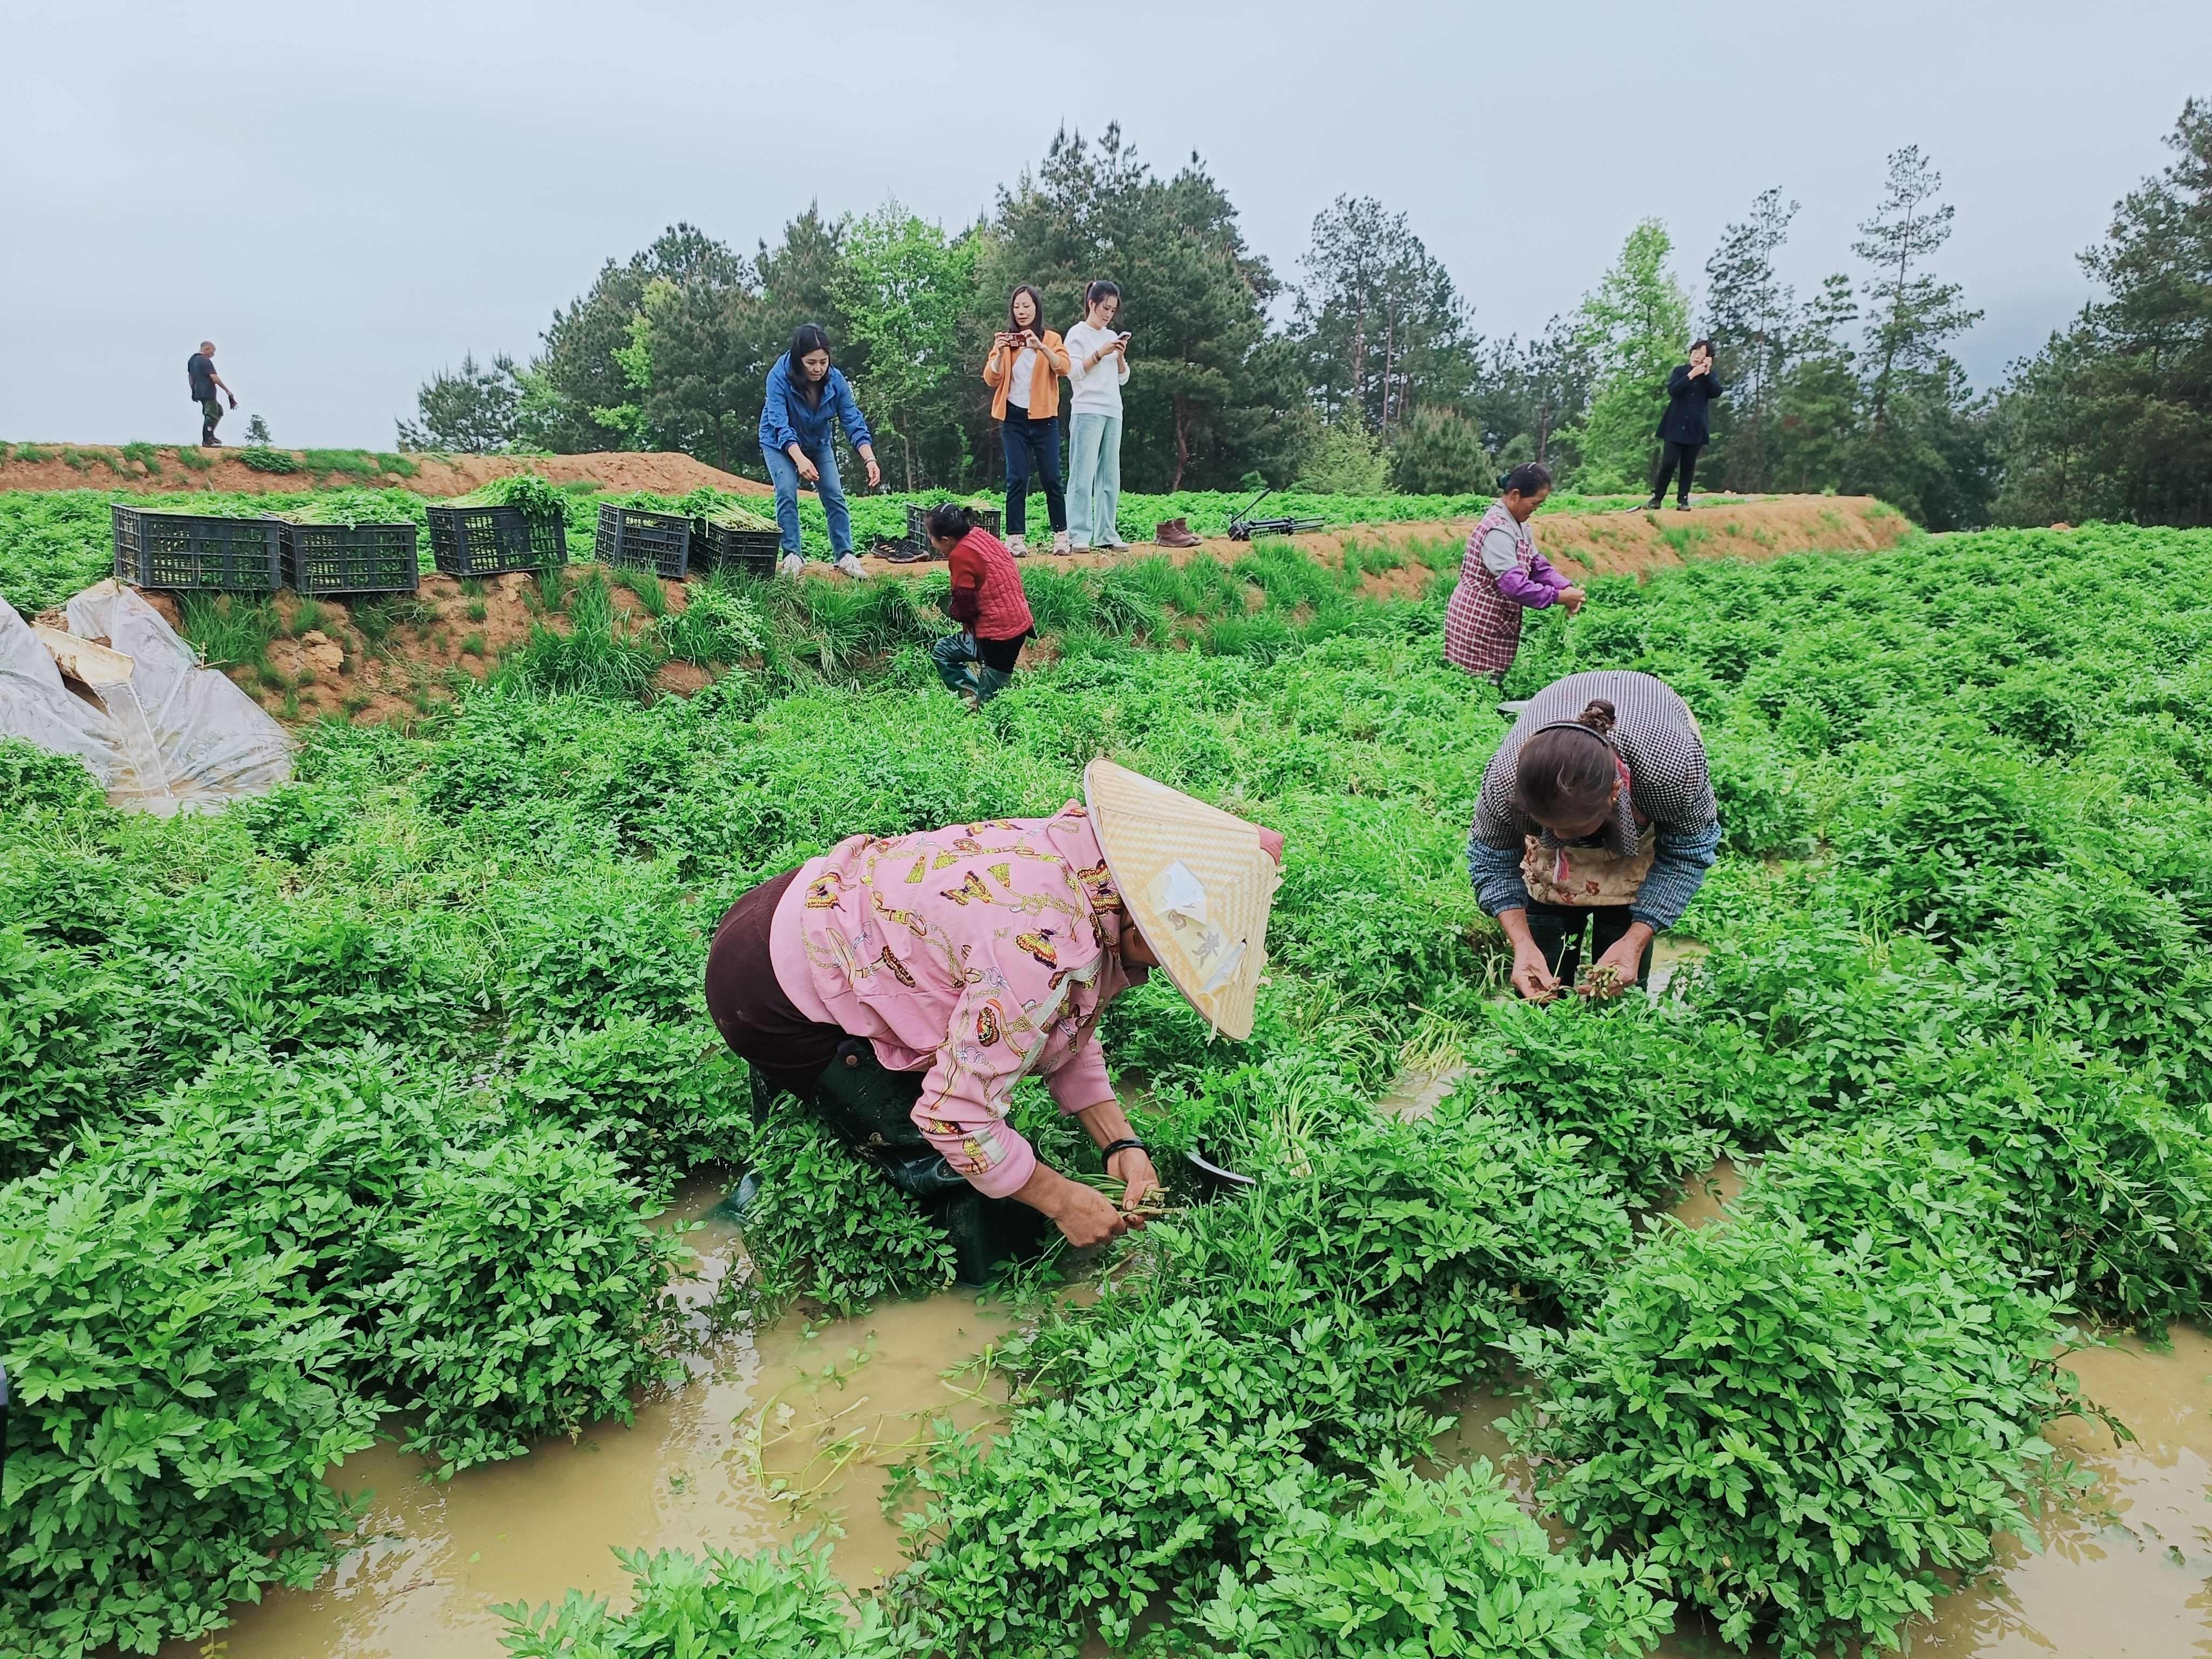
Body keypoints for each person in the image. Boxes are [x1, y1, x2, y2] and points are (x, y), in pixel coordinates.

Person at [703, 760, 1285, 1283]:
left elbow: (1062, 1024)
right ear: (1140, 923)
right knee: (954, 1169)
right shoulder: (1048, 949)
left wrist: (1120, 1142)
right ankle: (762, 1211)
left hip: (791, 907)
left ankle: (776, 1159)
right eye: (1171, 951)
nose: (1167, 967)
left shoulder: (1088, 866)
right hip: (766, 991)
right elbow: (956, 1118)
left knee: (832, 1110)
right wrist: (1062, 1202)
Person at [1468, 671, 1721, 1002]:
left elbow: (1686, 853)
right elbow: (1491, 857)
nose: (1559, 837)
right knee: (1546, 930)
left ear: (1615, 794)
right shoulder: (1507, 780)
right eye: (1549, 827)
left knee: (1620, 972)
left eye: (1571, 829)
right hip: (1561, 701)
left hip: (1649, 716)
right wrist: (1523, 945)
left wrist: (1634, 942)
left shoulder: (1670, 774)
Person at [1443, 463, 1586, 688]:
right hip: (1479, 622)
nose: (1536, 509)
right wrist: (1558, 597)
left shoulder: (1519, 525)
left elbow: (1538, 566)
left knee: (1491, 682)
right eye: (1534, 503)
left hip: (1496, 620)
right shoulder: (1498, 531)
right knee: (1476, 687)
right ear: (1515, 496)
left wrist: (1566, 588)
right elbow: (1515, 586)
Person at [759, 324, 883, 579]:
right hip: (778, 441)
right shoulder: (778, 377)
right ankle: (792, 555)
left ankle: (845, 556)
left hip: (817, 441)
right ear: (798, 359)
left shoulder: (836, 381)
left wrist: (869, 457)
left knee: (835, 493)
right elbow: (779, 423)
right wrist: (799, 458)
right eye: (811, 362)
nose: (818, 368)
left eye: (823, 362)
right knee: (786, 490)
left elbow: (852, 419)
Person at [983, 286, 1071, 556]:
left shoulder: (1052, 338)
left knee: (1052, 478)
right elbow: (991, 378)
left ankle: (1061, 535)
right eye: (1017, 307)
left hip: (1045, 419)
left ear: (1037, 308)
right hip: (1013, 419)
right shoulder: (1006, 341)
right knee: (1017, 478)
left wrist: (1041, 346)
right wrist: (999, 353)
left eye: (1026, 306)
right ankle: (1015, 538)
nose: (1021, 311)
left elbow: (1064, 368)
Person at [926, 503, 1034, 711]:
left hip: (1000, 636)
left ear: (946, 540)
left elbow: (966, 608)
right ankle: (972, 697)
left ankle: (985, 709)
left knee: (993, 707)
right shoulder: (980, 536)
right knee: (944, 651)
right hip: (1012, 621)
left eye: (932, 538)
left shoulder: (961, 555)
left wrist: (949, 608)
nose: (931, 542)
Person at [1062, 280, 1131, 551]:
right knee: (1083, 474)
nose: (1108, 314)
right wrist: (1100, 353)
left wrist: (1120, 356)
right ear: (1092, 303)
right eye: (1105, 308)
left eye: (1113, 310)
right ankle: (1078, 534)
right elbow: (1073, 371)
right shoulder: (1077, 334)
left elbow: (1123, 378)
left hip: (1113, 410)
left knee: (1110, 475)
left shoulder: (1111, 336)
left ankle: (1107, 533)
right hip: (1087, 409)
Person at [1645, 340, 1723, 511]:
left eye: (1702, 353)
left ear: (1708, 358)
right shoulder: (1680, 371)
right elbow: (1673, 390)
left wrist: (1707, 373)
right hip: (1675, 425)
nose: (1697, 356)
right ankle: (1657, 498)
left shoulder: (1710, 377)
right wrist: (1691, 375)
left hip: (1696, 427)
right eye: (1695, 352)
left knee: (1688, 465)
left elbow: (1716, 392)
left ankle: (1683, 500)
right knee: (1669, 463)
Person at [187, 342, 237, 447]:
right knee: (212, 416)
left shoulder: (191, 360)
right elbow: (214, 377)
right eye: (212, 352)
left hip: (199, 391)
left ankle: (211, 435)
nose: (213, 355)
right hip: (208, 392)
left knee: (218, 411)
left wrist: (193, 392)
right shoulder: (205, 360)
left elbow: (191, 377)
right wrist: (227, 390)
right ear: (207, 348)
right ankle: (207, 440)